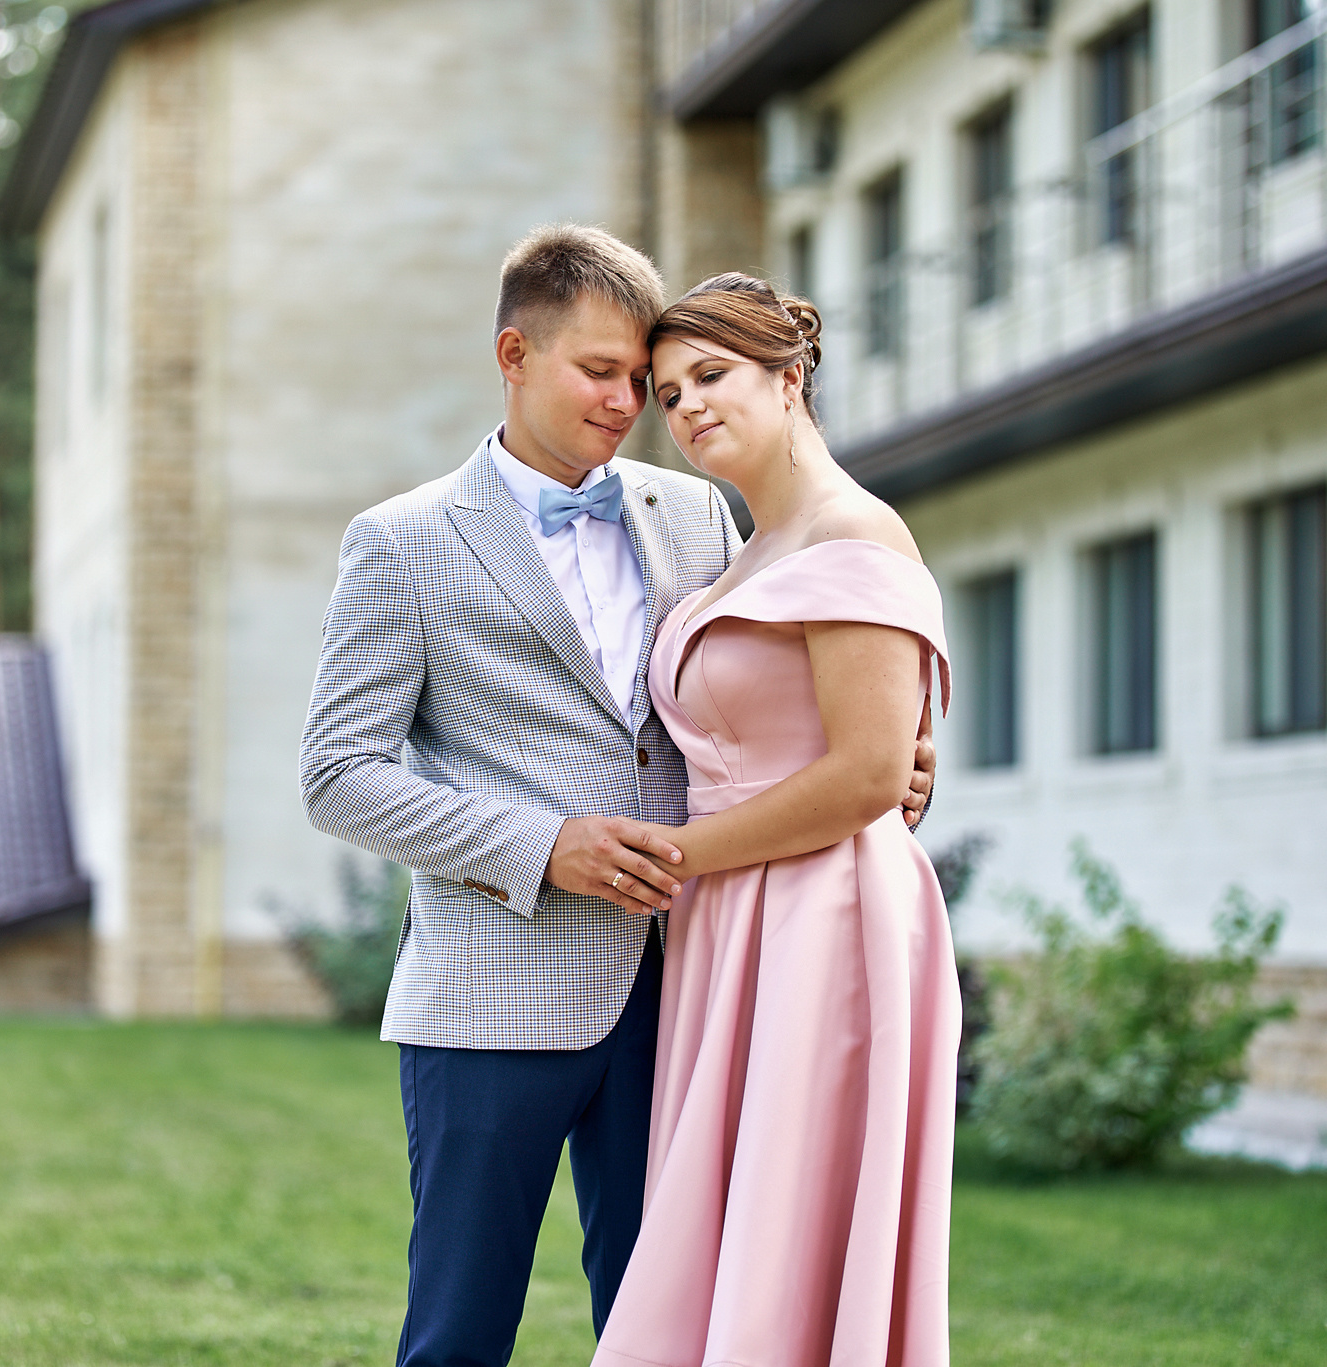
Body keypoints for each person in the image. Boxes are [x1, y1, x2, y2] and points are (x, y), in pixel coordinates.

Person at [298, 226, 936, 1367]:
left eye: (642, 378)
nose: (630, 401)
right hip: (490, 987)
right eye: (601, 372)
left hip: (688, 986)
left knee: (666, 1321)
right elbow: (339, 773)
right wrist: (543, 844)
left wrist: (885, 760)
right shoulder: (398, 541)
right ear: (513, 352)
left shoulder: (694, 511)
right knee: (455, 1330)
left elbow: (770, 678)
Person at [591, 273, 960, 1367]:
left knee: (791, 1216)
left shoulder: (853, 530)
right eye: (667, 390)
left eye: (712, 374)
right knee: (729, 1217)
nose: (686, 405)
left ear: (787, 376)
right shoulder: (741, 547)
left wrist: (671, 856)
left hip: (822, 914)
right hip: (730, 915)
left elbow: (860, 776)